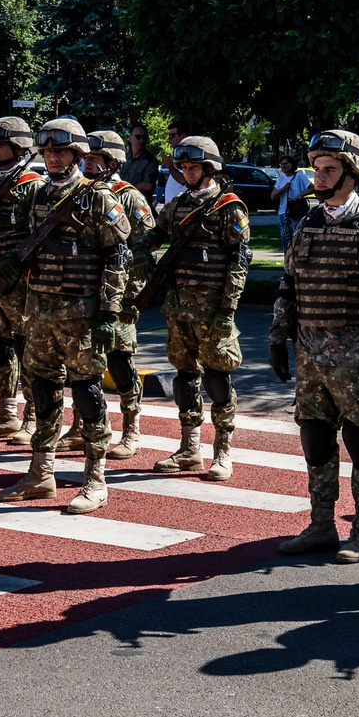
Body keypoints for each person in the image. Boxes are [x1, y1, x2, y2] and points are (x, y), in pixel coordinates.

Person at [268, 129, 359, 561]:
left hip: (358, 358)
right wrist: (279, 336)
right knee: (314, 437)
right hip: (312, 356)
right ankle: (321, 525)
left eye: (329, 169)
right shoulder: (308, 223)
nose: (320, 177)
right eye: (317, 169)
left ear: (352, 174)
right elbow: (288, 284)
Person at [0, 118, 132, 514]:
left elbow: (118, 258)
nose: (53, 157)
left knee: (87, 391)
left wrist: (108, 312)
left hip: (82, 314)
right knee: (42, 389)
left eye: (61, 151)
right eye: (48, 151)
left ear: (78, 155)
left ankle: (95, 478)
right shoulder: (35, 196)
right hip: (40, 311)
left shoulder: (98, 198)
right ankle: (41, 472)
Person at [144, 136, 252, 484]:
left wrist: (227, 309)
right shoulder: (177, 205)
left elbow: (238, 263)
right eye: (184, 167)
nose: (187, 172)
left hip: (212, 311)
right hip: (178, 308)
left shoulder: (229, 208)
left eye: (194, 167)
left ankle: (223, 451)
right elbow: (154, 237)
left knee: (218, 379)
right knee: (185, 378)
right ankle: (190, 448)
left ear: (210, 169)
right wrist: (134, 248)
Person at [86, 130, 157, 460]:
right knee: (84, 363)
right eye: (84, 157)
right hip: (84, 291)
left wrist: (130, 296)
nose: (88, 163)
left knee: (119, 360)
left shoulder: (128, 197)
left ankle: (132, 427)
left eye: (94, 158)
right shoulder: (80, 194)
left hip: (120, 294)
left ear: (112, 162)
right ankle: (89, 426)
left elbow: (144, 251)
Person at [0, 117, 45, 438]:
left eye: (0, 144)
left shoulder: (33, 185)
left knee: (24, 346)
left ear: (19, 148)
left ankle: (32, 414)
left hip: (20, 280)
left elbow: (39, 236)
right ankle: (6, 409)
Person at [119, 125, 161, 217]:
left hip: (141, 211)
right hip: (121, 208)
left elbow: (148, 186)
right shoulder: (122, 158)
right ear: (130, 138)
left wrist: (123, 189)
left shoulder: (150, 161)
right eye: (138, 137)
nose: (142, 140)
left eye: (144, 137)